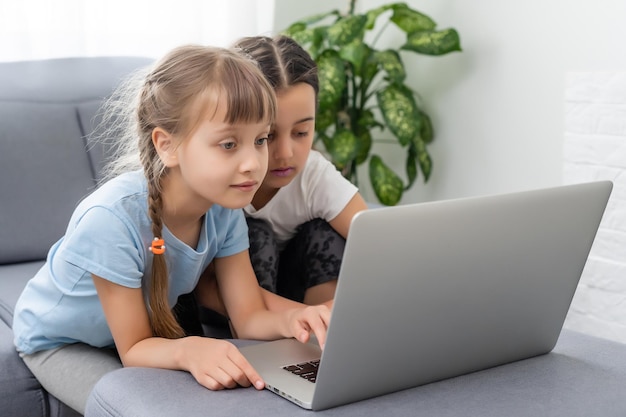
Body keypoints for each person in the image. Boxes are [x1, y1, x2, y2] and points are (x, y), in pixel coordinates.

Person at [11, 44, 330, 415]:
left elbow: (248, 317)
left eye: (260, 140)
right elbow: (134, 349)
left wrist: (295, 318)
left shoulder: (224, 209)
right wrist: (190, 349)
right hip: (62, 343)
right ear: (167, 145)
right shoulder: (110, 221)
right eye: (229, 144)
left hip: (132, 336)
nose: (253, 163)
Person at [233, 35, 369, 306]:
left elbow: (381, 245)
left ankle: (320, 337)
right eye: (268, 136)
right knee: (256, 237)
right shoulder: (215, 176)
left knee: (325, 234)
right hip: (234, 296)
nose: (285, 154)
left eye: (302, 132)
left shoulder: (314, 175)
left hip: (294, 291)